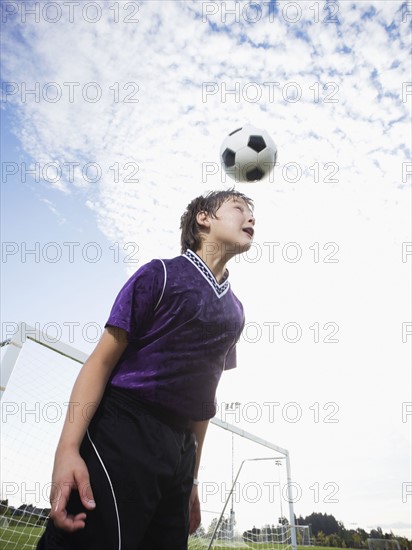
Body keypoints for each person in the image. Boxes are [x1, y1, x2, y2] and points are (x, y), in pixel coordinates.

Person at [36, 188, 255, 550]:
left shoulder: (236, 311)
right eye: (238, 208)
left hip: (180, 452)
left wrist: (192, 480)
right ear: (204, 218)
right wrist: (68, 449)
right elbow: (101, 361)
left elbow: (204, 400)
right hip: (124, 431)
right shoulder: (161, 274)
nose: (250, 218)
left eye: (251, 213)